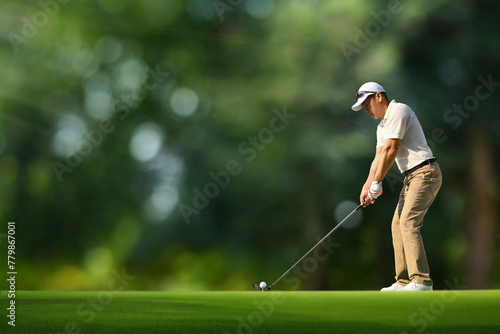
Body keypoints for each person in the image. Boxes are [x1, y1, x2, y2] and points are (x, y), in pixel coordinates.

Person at [352, 82, 442, 291]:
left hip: (426, 172)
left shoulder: (399, 110)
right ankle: (404, 281)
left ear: (378, 97)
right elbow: (379, 157)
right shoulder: (381, 126)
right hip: (411, 178)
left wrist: (378, 183)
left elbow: (392, 149)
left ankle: (421, 281)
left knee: (409, 222)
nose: (365, 110)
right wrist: (367, 186)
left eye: (366, 104)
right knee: (397, 224)